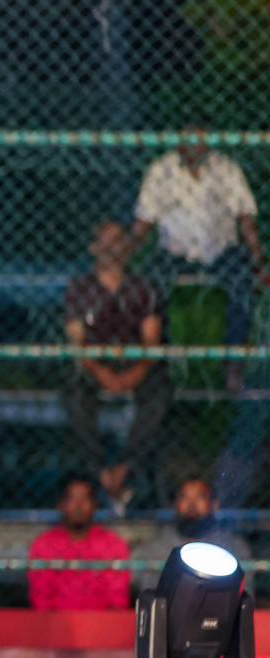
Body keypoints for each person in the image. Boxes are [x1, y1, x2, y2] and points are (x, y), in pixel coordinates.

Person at [63, 222, 170, 511]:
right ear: (93, 248)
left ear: (129, 248)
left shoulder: (145, 289)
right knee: (74, 395)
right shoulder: (79, 289)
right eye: (105, 240)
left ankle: (125, 467)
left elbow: (152, 342)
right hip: (95, 364)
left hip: (135, 362)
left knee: (159, 392)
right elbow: (78, 344)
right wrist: (101, 371)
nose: (112, 247)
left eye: (118, 240)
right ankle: (100, 471)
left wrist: (135, 372)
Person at [133, 125, 265, 358]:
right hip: (175, 252)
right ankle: (157, 358)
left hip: (221, 252)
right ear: (178, 141)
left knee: (244, 283)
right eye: (188, 138)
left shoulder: (226, 168)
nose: (194, 144)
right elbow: (143, 222)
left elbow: (245, 217)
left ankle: (232, 359)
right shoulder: (161, 170)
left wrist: (258, 260)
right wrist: (129, 258)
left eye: (200, 138)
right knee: (148, 286)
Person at [27, 475, 131, 611]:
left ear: (95, 505)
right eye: (72, 499)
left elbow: (117, 600)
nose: (78, 506)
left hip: (103, 626)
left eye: (85, 499)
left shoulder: (113, 545)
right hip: (55, 626)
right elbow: (41, 600)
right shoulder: (44, 545)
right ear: (61, 504)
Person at [134, 476, 251, 588]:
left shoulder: (233, 549)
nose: (192, 504)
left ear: (214, 505)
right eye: (184, 497)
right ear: (176, 504)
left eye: (201, 497)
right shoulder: (154, 548)